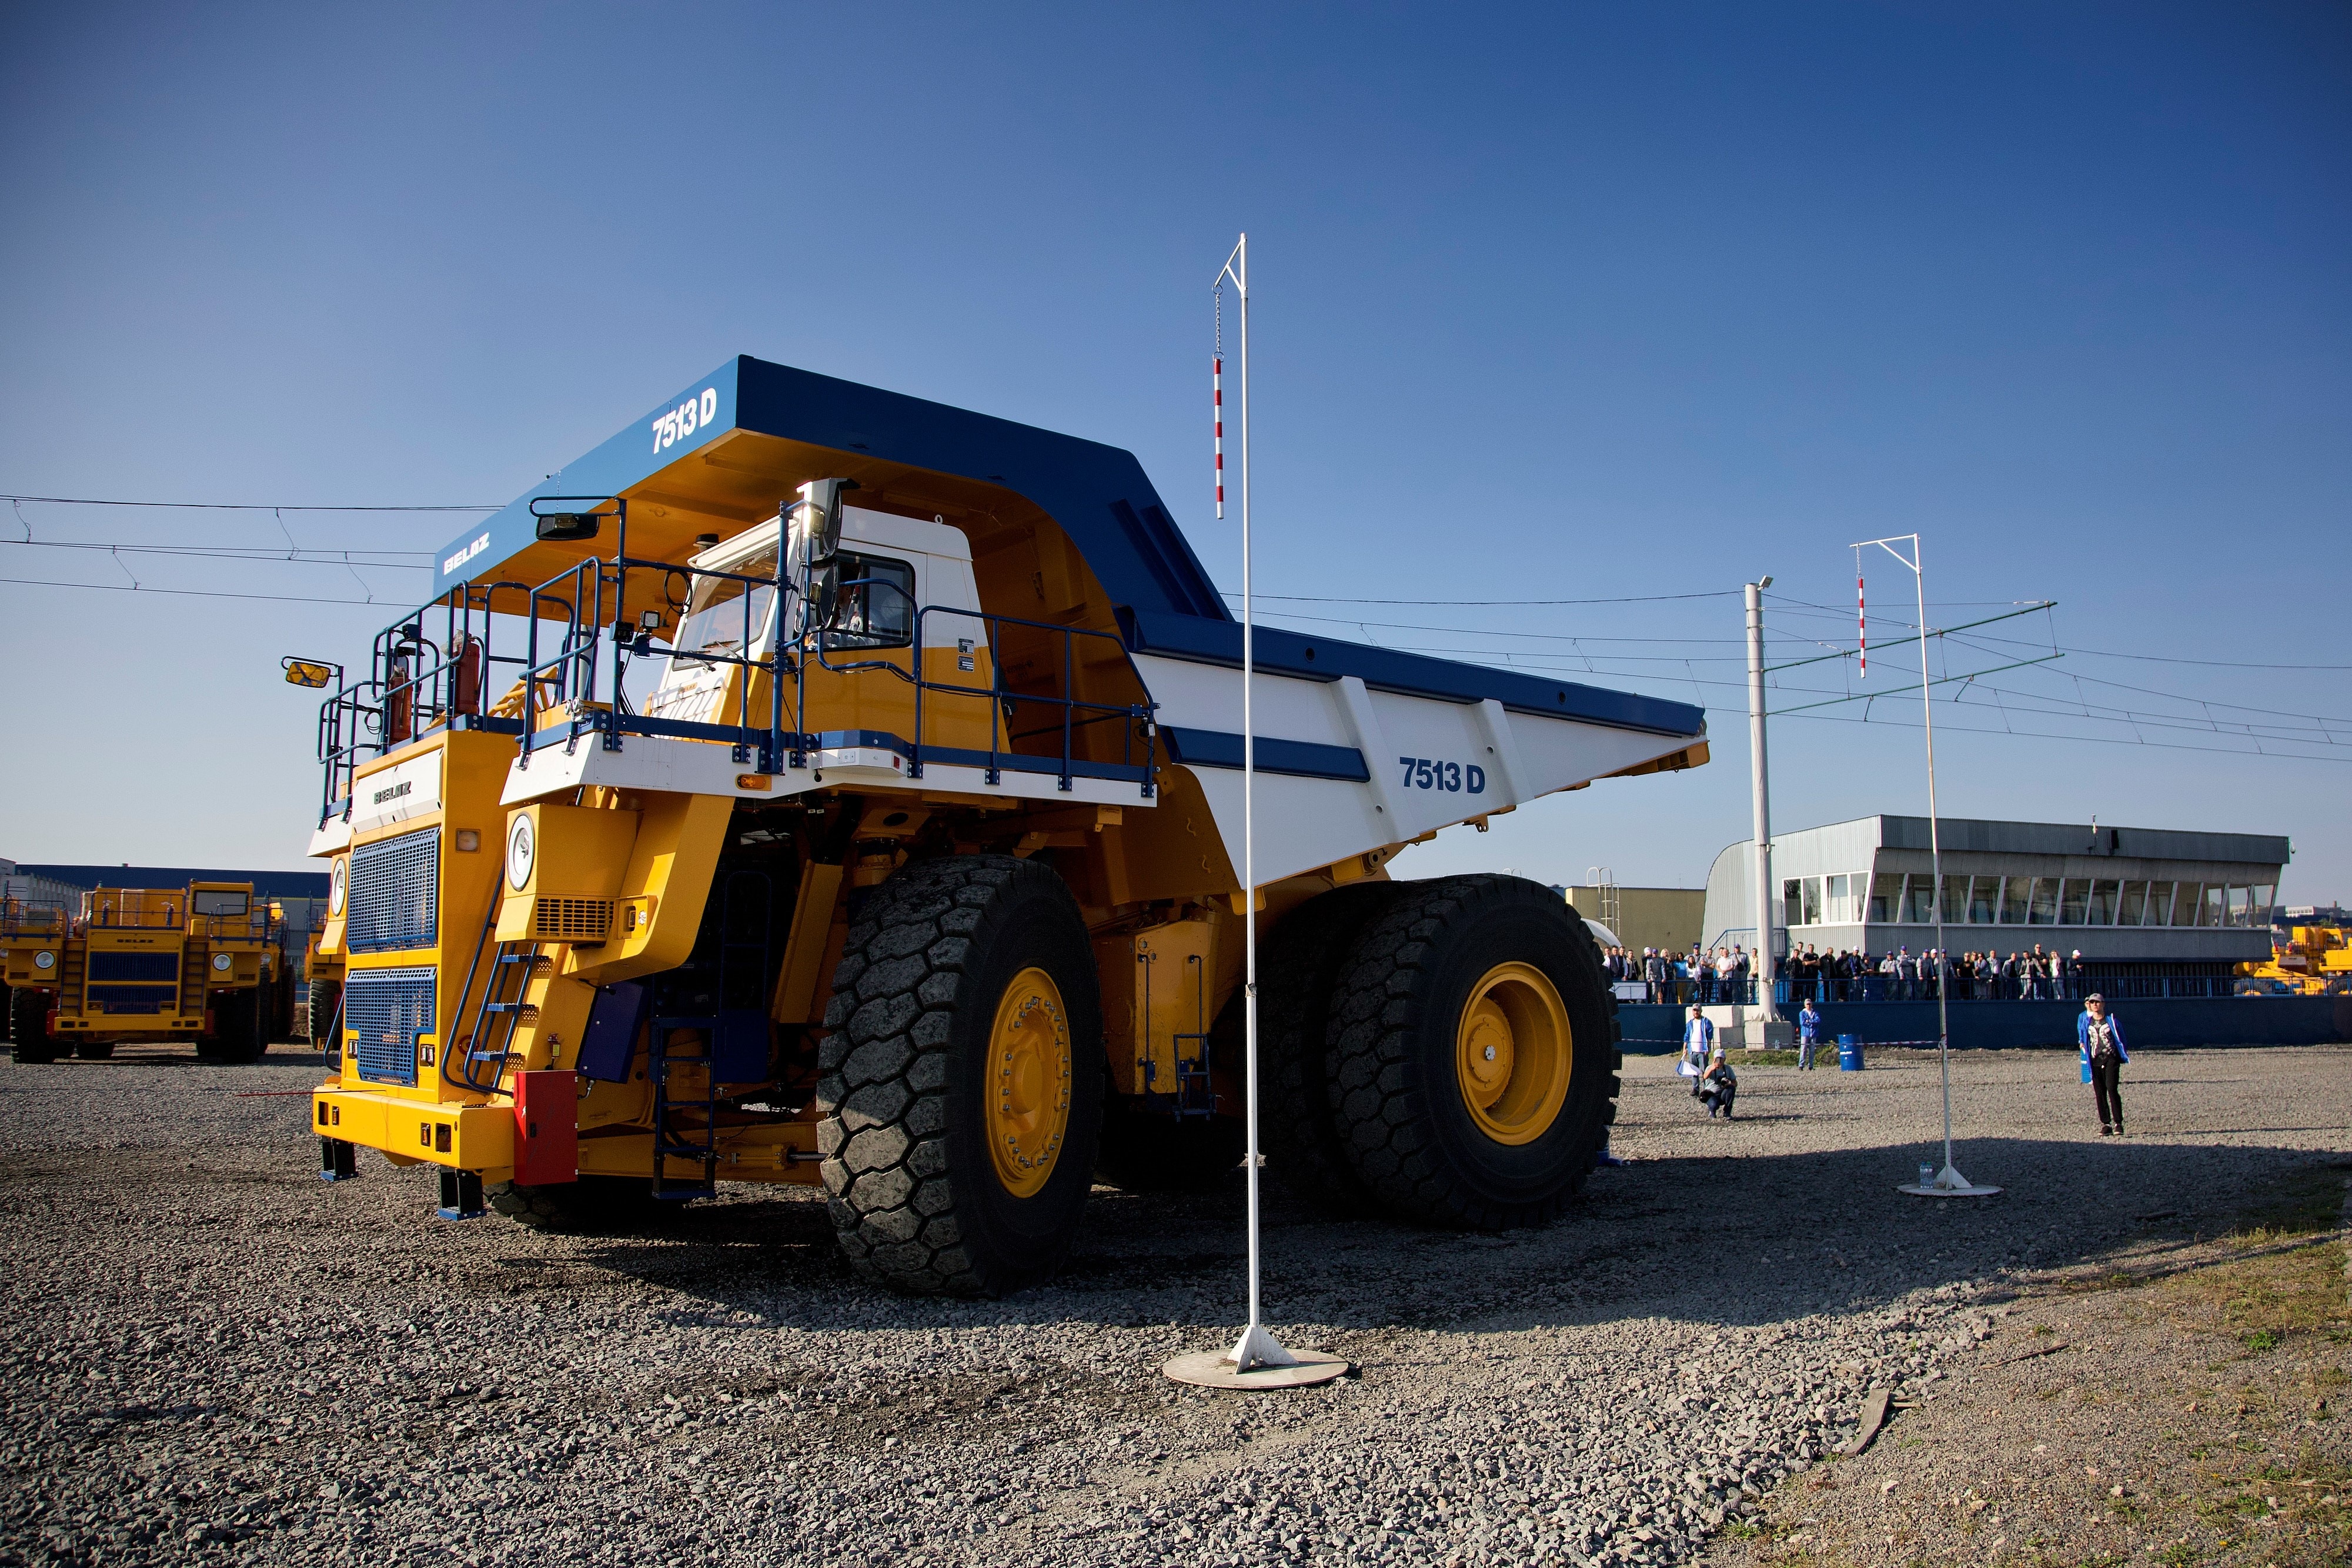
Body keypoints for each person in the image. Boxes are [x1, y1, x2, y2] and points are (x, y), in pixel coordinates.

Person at [2079, 992, 2130, 1135]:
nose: (2095, 1004)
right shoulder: (2087, 1022)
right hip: (2095, 1060)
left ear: (2103, 1004)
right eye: (2093, 1002)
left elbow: (2121, 1038)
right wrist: (2082, 1044)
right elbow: (2084, 1038)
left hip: (2111, 1059)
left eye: (2098, 1002)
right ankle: (2106, 1123)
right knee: (2100, 1092)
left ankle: (2118, 1123)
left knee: (2112, 1088)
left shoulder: (2111, 1021)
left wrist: (2121, 1054)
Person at [1680, 1004, 1715, 1086]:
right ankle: (1695, 1088)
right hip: (1692, 1051)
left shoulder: (1706, 1022)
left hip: (1702, 1051)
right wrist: (1685, 1048)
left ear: (1701, 1011)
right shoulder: (1690, 1024)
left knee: (1705, 1070)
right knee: (1694, 1071)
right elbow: (1687, 1036)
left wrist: (1708, 1047)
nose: (1696, 1012)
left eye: (1698, 1010)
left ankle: (1708, 1087)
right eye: (1695, 1010)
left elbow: (1709, 1036)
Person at [1700, 1049, 1738, 1118]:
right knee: (1714, 1105)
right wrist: (1712, 1069)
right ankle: (1712, 1112)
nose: (1719, 1061)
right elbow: (1705, 1077)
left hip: (1722, 1094)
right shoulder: (1709, 1068)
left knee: (1731, 1089)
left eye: (1721, 1059)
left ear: (1724, 1059)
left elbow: (1735, 1083)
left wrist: (1728, 1085)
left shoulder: (1727, 1069)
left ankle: (1727, 1112)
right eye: (1717, 1059)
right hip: (1711, 1094)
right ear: (1714, 1059)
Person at [1796, 995, 1822, 1070]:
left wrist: (1809, 1022)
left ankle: (1811, 1065)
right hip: (1805, 1034)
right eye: (1807, 1004)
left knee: (1812, 1050)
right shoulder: (1802, 1013)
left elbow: (1818, 1021)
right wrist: (1812, 1023)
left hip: (1814, 1033)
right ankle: (1801, 1065)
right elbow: (1803, 1022)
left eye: (1810, 1004)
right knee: (1803, 1049)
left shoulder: (1815, 1013)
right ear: (1805, 1005)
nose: (1809, 1006)